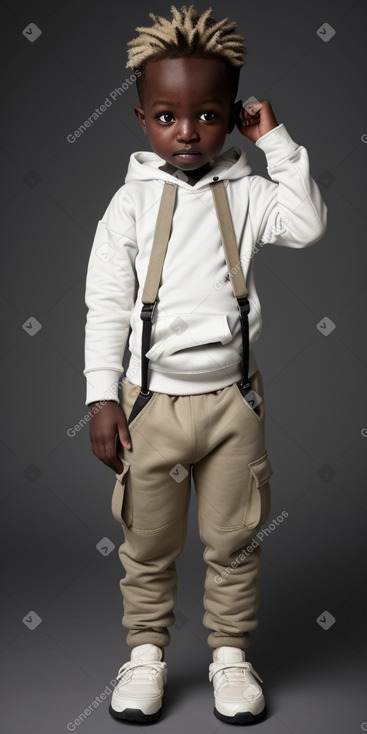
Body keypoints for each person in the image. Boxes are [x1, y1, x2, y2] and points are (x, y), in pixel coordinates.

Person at [83, 4, 327, 725]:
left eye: (209, 115)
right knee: (147, 544)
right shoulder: (127, 205)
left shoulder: (249, 194)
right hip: (148, 404)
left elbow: (309, 225)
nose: (187, 132)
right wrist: (102, 399)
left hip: (231, 404)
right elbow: (104, 308)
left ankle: (229, 656)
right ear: (140, 120)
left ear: (232, 117)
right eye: (166, 116)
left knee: (233, 539)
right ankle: (145, 655)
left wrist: (275, 141)